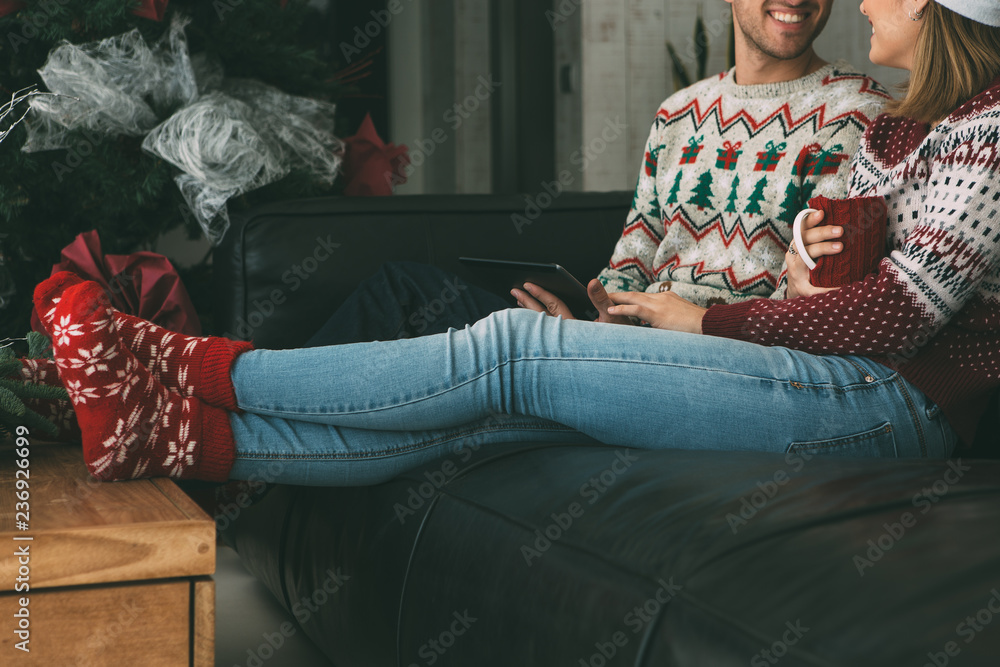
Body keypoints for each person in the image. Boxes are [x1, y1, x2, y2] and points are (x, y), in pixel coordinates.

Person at [33, 0, 1000, 486]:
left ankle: (180, 361)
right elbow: (846, 281)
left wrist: (716, 315)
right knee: (485, 411)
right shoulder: (903, 125)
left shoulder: (951, 121)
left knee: (506, 353)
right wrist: (618, 301)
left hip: (892, 402)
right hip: (774, 353)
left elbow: (895, 307)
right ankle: (172, 434)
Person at [305, 0, 889, 345]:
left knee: (478, 343)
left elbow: (816, 300)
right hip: (622, 337)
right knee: (400, 291)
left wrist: (694, 321)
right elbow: (634, 255)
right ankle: (242, 427)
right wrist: (589, 309)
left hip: (707, 351)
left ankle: (233, 433)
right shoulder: (679, 112)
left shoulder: (857, 112)